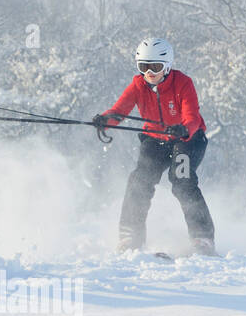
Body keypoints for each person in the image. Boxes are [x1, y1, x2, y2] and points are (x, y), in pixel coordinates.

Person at [92, 37, 218, 256]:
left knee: (181, 181)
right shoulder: (138, 85)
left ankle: (202, 238)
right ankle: (130, 235)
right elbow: (119, 110)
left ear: (167, 66)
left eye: (155, 67)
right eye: (144, 67)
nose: (149, 72)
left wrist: (183, 128)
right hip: (155, 140)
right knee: (140, 179)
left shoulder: (183, 83)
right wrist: (105, 120)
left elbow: (192, 115)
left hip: (187, 140)